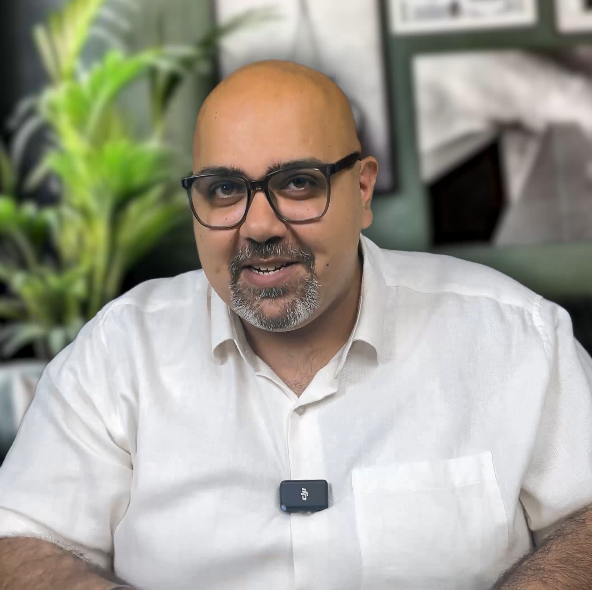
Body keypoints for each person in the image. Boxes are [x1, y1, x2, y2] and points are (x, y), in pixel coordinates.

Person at [1, 60, 592, 590]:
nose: (259, 226)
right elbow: (17, 541)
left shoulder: (514, 337)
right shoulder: (120, 353)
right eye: (225, 189)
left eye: (298, 183)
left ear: (363, 189)